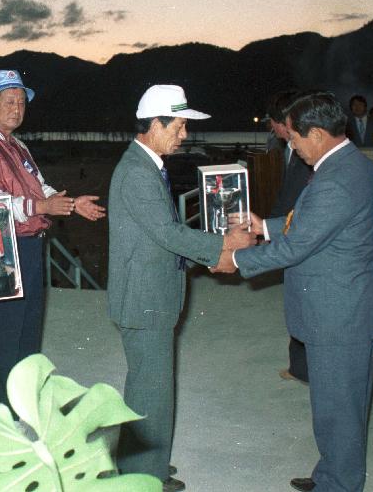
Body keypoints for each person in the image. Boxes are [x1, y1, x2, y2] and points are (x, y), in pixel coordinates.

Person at [217, 91, 373, 492]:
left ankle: (339, 484)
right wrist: (266, 226)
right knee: (334, 409)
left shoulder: (337, 179)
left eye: (293, 138)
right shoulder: (347, 166)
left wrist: (237, 261)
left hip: (340, 315)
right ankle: (330, 475)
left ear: (316, 134)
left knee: (339, 412)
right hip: (341, 309)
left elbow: (301, 244)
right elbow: (315, 224)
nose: (291, 146)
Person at [108, 84, 256, 492]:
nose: (184, 134)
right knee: (148, 392)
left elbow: (161, 239)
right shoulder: (138, 172)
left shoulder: (147, 165)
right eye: (179, 126)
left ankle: (148, 466)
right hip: (143, 301)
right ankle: (141, 479)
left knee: (153, 390)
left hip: (151, 296)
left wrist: (210, 253)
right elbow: (167, 232)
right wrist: (223, 246)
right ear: (155, 124)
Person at [0, 69, 105, 408]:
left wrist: (69, 204)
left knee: (28, 333)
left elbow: (41, 187)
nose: (16, 109)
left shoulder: (18, 145)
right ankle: (0, 413)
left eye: (21, 103)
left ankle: (23, 405)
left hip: (30, 245)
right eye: (9, 102)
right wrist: (42, 205)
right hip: (0, 247)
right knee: (5, 335)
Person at [265, 90, 312, 384]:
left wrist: (269, 230)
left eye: (273, 122)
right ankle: (299, 367)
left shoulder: (305, 154)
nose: (272, 129)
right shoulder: (290, 150)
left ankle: (303, 369)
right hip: (286, 228)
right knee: (296, 301)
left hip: (296, 233)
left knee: (303, 302)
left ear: (284, 122)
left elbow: (295, 200)